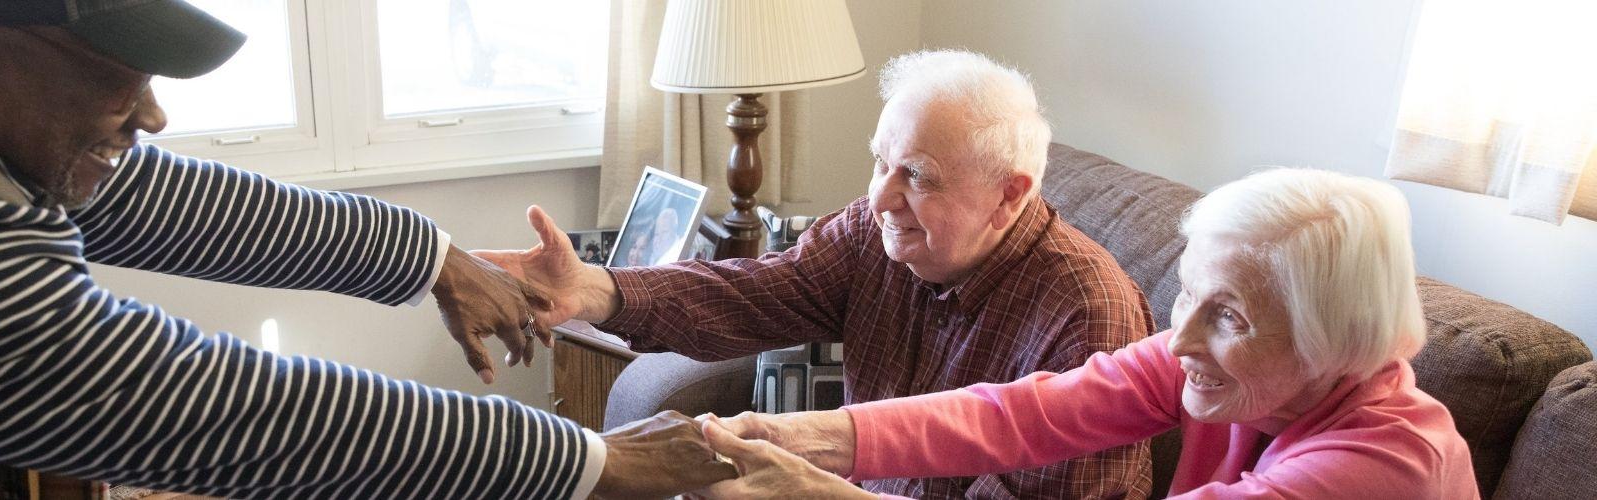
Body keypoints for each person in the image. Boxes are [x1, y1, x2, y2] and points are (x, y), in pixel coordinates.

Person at [0, 0, 733, 497]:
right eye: (117, 80)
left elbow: (139, 192)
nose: (149, 115)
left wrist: (426, 254)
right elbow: (216, 408)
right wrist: (589, 463)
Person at [480, 50, 1157, 497]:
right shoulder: (876, 231)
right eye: (879, 162)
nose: (881, 197)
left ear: (1009, 195)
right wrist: (593, 290)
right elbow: (753, 294)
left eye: (917, 176)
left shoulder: (1087, 318)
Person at [691, 168, 1478, 499]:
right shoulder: (1226, 363)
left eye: (1229, 316)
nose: (1178, 344)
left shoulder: (1385, 465)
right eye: (1189, 298)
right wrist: (792, 435)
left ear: (1333, 337)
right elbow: (1018, 415)